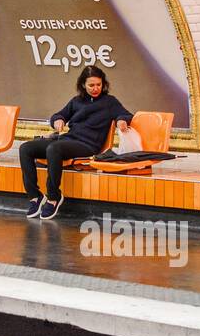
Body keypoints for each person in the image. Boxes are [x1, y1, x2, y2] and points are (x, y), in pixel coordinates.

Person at [18, 66, 133, 220]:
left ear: (103, 84)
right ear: (83, 85)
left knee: (54, 148)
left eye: (98, 84)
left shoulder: (110, 102)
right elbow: (59, 115)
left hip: (89, 145)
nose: (95, 88)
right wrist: (58, 120)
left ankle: (53, 197)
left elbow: (126, 114)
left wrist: (121, 120)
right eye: (91, 85)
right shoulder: (76, 101)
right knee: (25, 148)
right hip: (68, 141)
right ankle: (34, 197)